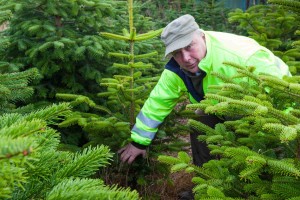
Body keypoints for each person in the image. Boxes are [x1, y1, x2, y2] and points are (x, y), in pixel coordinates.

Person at [118, 14, 291, 166]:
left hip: (260, 111)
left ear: (201, 36)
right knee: (199, 117)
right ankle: (205, 181)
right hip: (218, 107)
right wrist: (139, 142)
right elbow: (157, 102)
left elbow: (281, 94)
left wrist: (289, 132)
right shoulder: (176, 70)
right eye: (177, 53)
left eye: (189, 46)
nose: (185, 58)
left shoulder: (242, 56)